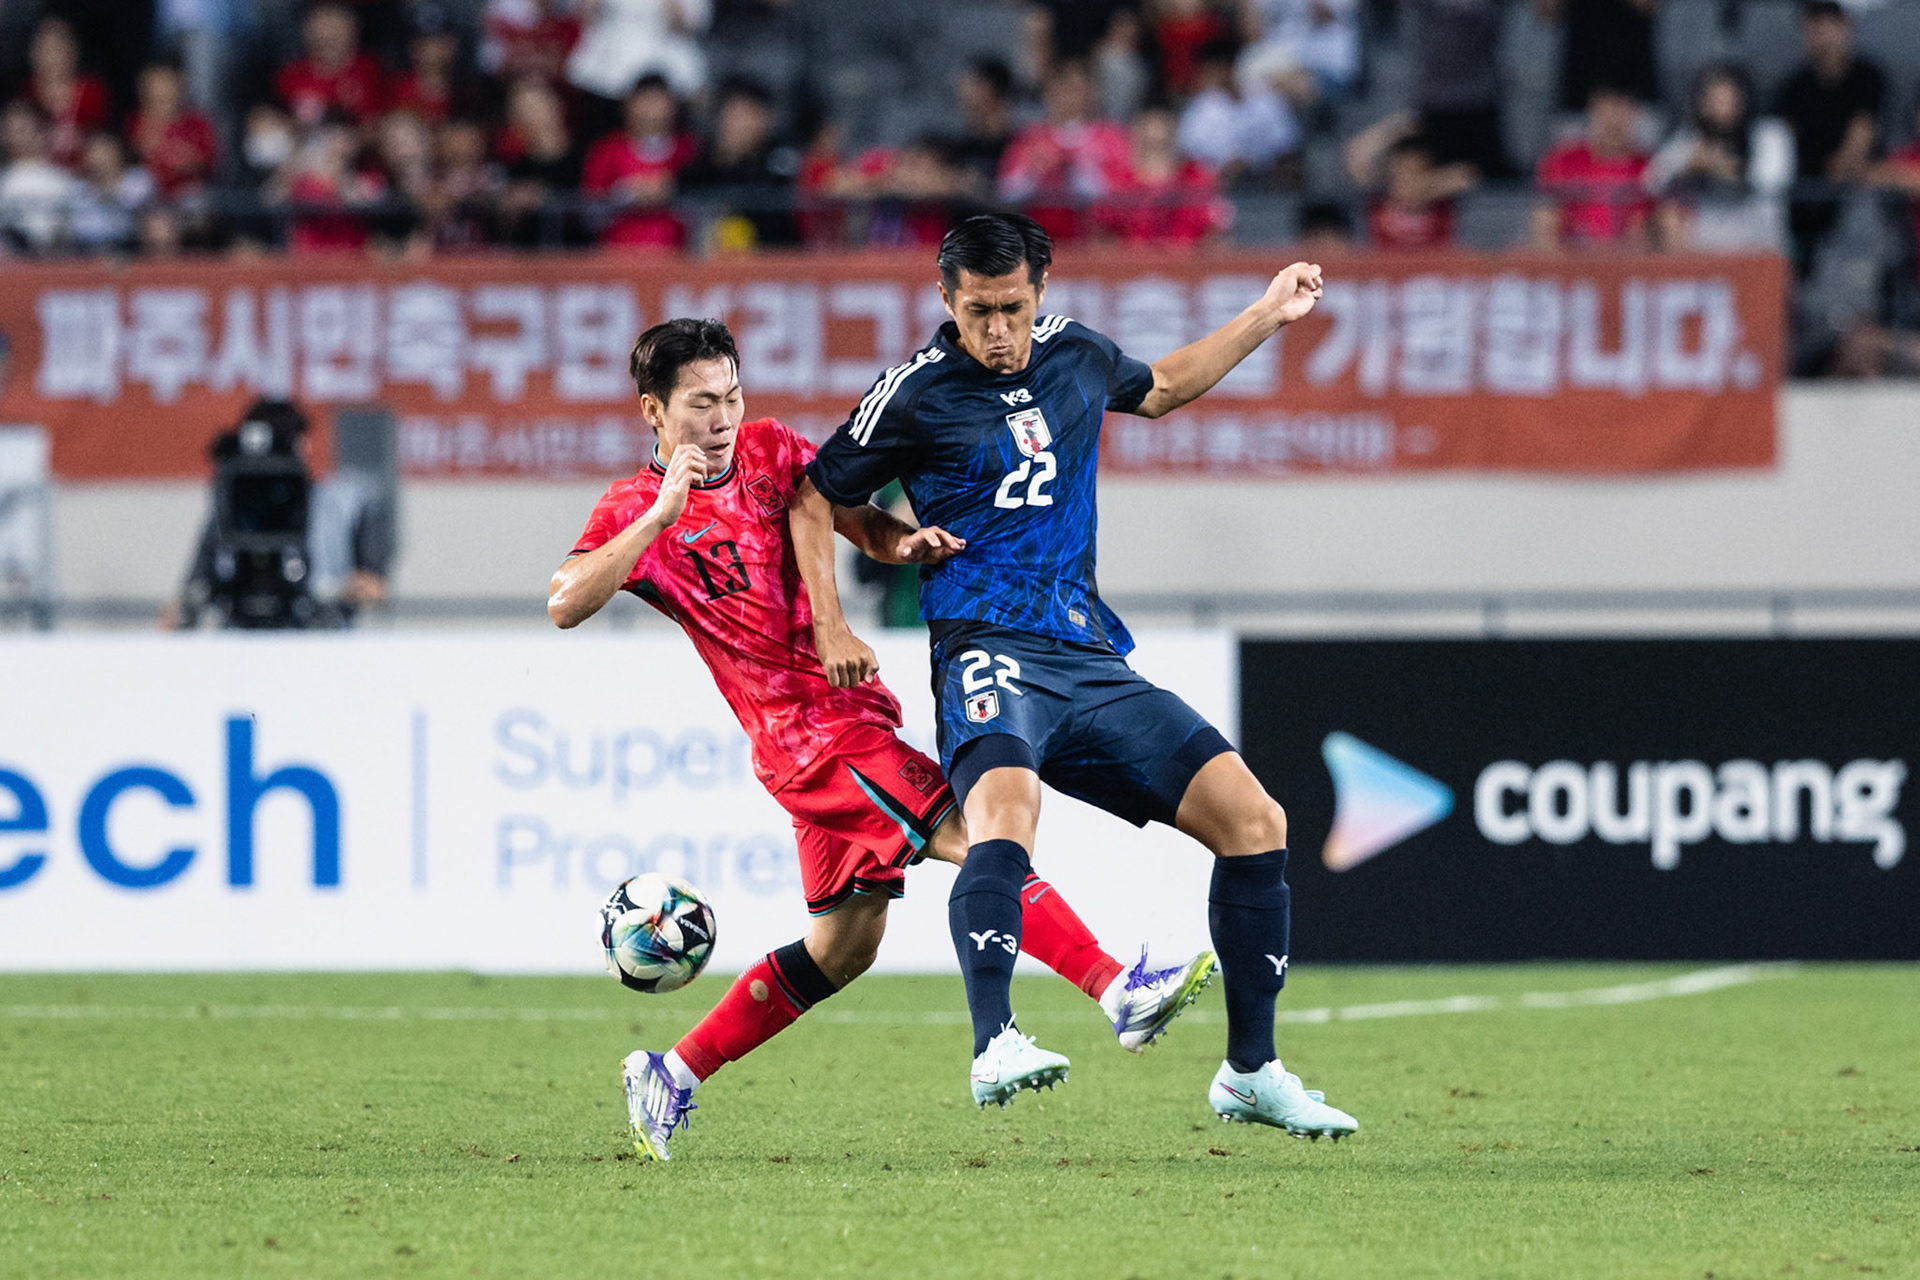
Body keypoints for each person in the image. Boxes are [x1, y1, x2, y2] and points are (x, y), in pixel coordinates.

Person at [547, 318, 1217, 1160]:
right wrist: (659, 517)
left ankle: (671, 1071)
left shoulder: (769, 449)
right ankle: (1116, 987)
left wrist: (905, 544)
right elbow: (566, 601)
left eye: (731, 396)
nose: (721, 419)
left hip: (848, 716)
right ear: (654, 411)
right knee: (975, 836)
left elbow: (855, 520)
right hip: (809, 743)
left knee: (844, 946)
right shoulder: (632, 508)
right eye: (699, 405)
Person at [794, 213, 1358, 1139]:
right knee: (1003, 821)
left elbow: (1168, 386)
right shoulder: (912, 395)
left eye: (1013, 309)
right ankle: (995, 1041)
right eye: (979, 313)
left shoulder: (1077, 356)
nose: (999, 332)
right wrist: (839, 611)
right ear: (947, 301)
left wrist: (1266, 313)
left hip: (1088, 657)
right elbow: (819, 497)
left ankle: (1251, 1073)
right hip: (986, 650)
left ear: (1041, 291)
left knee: (1257, 823)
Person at [1775, 0, 1886, 278]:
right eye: (1813, 28)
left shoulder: (1867, 78)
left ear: (1845, 29)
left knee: (1863, 211)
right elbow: (1785, 149)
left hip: (1853, 194)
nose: (1820, 35)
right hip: (1804, 195)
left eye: (1827, 26)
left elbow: (1858, 144)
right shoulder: (1793, 88)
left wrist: (1840, 169)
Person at [1647, 63, 1794, 253]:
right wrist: (1688, 164)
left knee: (1767, 211)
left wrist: (1724, 168)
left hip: (1757, 236)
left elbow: (1772, 185)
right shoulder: (1693, 137)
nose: (1720, 107)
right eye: (1713, 98)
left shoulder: (1770, 133)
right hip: (1708, 239)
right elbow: (1651, 181)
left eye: (1727, 98)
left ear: (1744, 99)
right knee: (1670, 216)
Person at [1531, 84, 1653, 250]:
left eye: (1622, 110)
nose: (1614, 121)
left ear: (1636, 114)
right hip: (1571, 254)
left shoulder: (1650, 166)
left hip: (1630, 255)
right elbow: (1547, 213)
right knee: (1544, 215)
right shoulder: (1562, 159)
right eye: (1606, 111)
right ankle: (1550, 273)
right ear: (1592, 112)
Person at [1345, 112, 1476, 251]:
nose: (1407, 177)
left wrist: (1421, 190)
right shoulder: (1377, 202)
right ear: (1392, 170)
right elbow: (1354, 155)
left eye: (1415, 170)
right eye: (1402, 170)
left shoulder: (1443, 205)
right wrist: (1396, 128)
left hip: (1434, 270)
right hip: (1385, 269)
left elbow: (1467, 175)